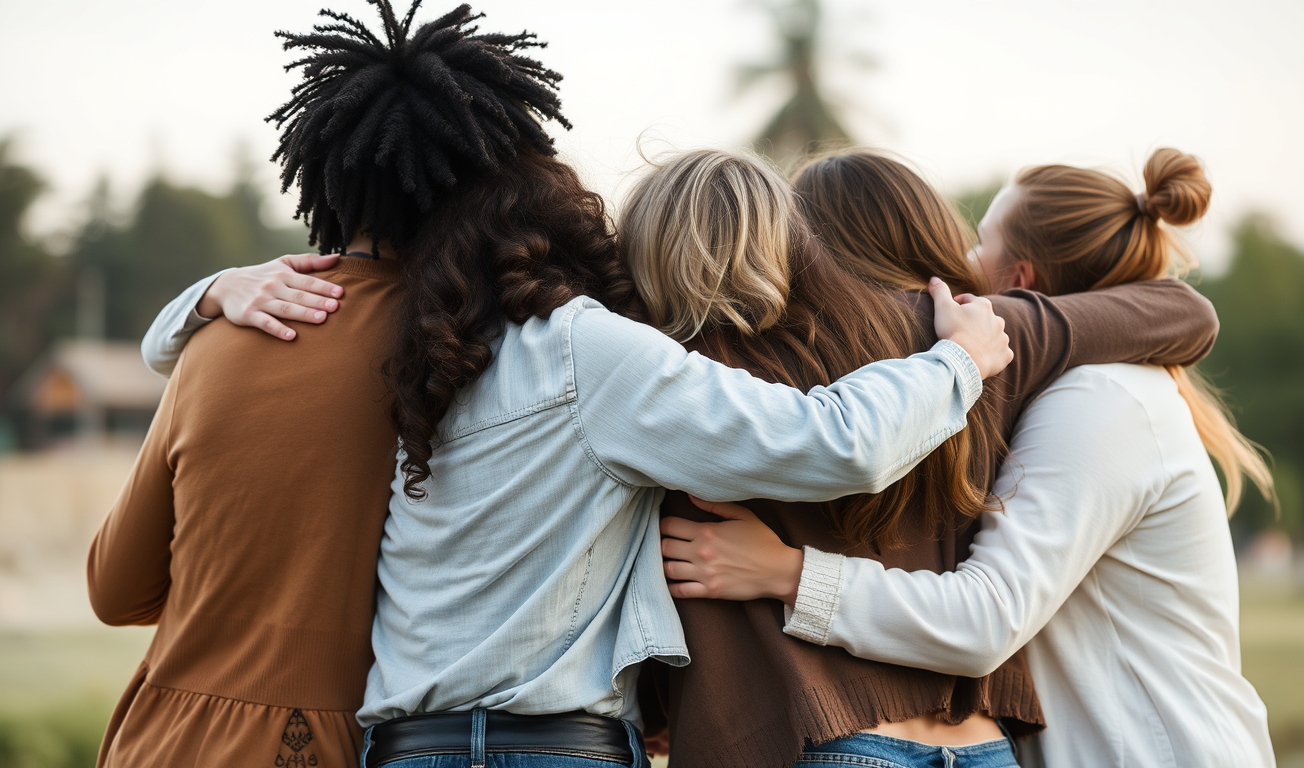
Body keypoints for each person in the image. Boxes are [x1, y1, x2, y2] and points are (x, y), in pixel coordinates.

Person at [132, 5, 1016, 768]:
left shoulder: (424, 350)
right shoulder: (585, 351)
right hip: (549, 746)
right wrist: (959, 362)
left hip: (404, 747)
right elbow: (830, 444)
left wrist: (202, 299)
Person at [662, 149, 1275, 768]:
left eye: (981, 241)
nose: (965, 263)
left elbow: (989, 615)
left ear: (1021, 280)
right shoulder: (984, 375)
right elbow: (1185, 309)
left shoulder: (1096, 400)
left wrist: (788, 573)